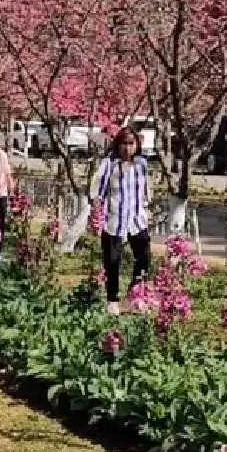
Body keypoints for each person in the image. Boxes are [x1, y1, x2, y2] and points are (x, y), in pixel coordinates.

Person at [89, 126, 151, 315]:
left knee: (144, 258)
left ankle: (136, 295)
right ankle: (112, 299)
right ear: (117, 145)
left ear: (137, 145)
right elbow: (97, 191)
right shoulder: (109, 165)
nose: (127, 148)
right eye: (124, 143)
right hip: (114, 219)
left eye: (131, 144)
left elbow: (145, 188)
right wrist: (97, 213)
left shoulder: (141, 164)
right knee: (112, 260)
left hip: (136, 219)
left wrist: (147, 207)